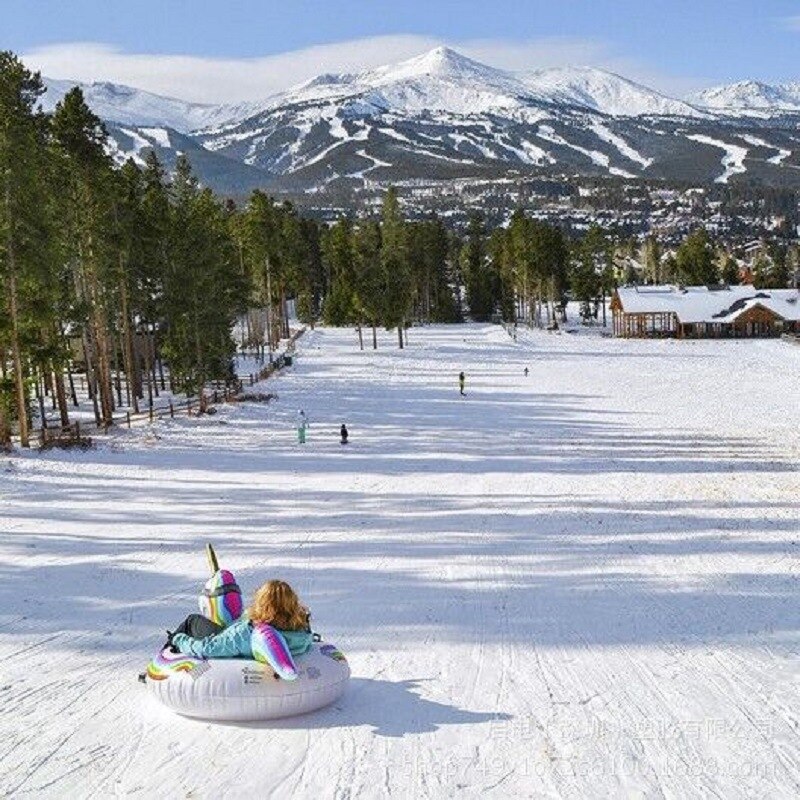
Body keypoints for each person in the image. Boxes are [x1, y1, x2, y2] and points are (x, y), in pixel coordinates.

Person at [168, 579, 313, 660]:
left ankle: (163, 657)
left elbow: (208, 648)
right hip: (248, 631)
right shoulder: (301, 628)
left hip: (224, 640)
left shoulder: (247, 634)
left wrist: (179, 640)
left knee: (192, 620)